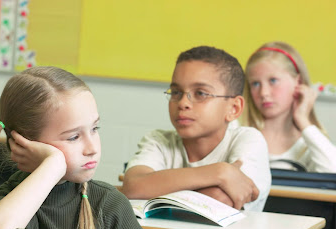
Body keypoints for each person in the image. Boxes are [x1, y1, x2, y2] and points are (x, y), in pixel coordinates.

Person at [0, 66, 156, 229]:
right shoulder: (7, 201)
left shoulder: (109, 204)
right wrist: (53, 164)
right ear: (23, 144)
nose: (92, 148)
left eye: (94, 128)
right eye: (73, 137)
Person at [122, 46, 271, 211]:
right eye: (176, 92)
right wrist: (219, 172)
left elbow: (219, 200)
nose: (183, 103)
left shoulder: (248, 140)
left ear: (234, 108)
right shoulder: (159, 141)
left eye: (201, 93)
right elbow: (133, 187)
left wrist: (154, 187)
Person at [242, 41, 336, 173]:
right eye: (255, 84)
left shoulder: (308, 144)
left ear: (298, 82)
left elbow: (333, 172)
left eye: (273, 81)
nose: (264, 93)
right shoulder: (240, 133)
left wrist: (303, 119)